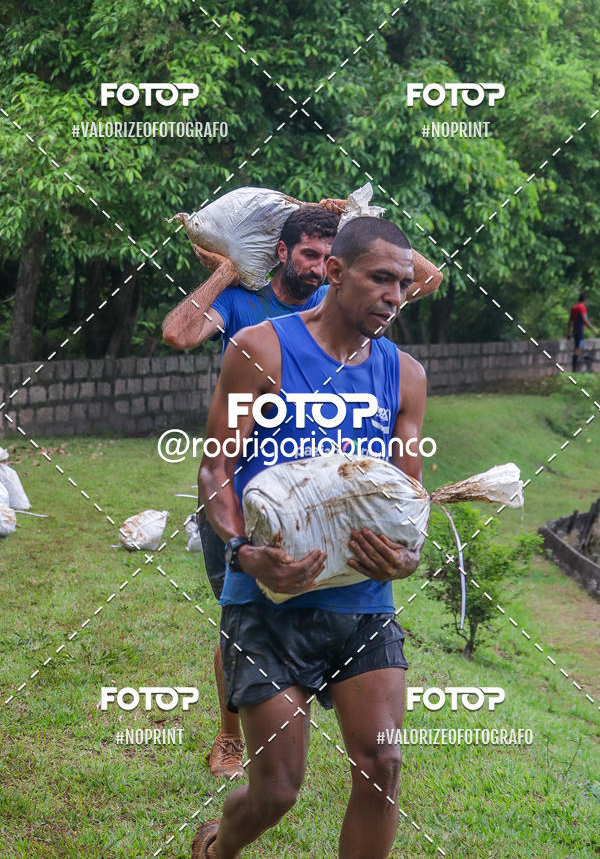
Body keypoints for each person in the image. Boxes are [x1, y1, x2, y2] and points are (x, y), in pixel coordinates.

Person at [162, 204, 443, 781]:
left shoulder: (361, 323)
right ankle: (229, 732)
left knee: (381, 762)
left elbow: (421, 277)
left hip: (346, 552)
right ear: (283, 254)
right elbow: (178, 334)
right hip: (251, 491)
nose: (315, 266)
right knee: (235, 611)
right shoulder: (249, 313)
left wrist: (363, 221)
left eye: (326, 255)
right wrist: (226, 268)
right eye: (308, 254)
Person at [567, 291, 597, 372]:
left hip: (574, 331)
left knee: (578, 348)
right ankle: (574, 370)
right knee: (577, 349)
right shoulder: (582, 308)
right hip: (580, 331)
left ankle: (575, 369)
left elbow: (570, 321)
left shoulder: (573, 308)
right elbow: (585, 320)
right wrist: (593, 330)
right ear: (585, 300)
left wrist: (568, 333)